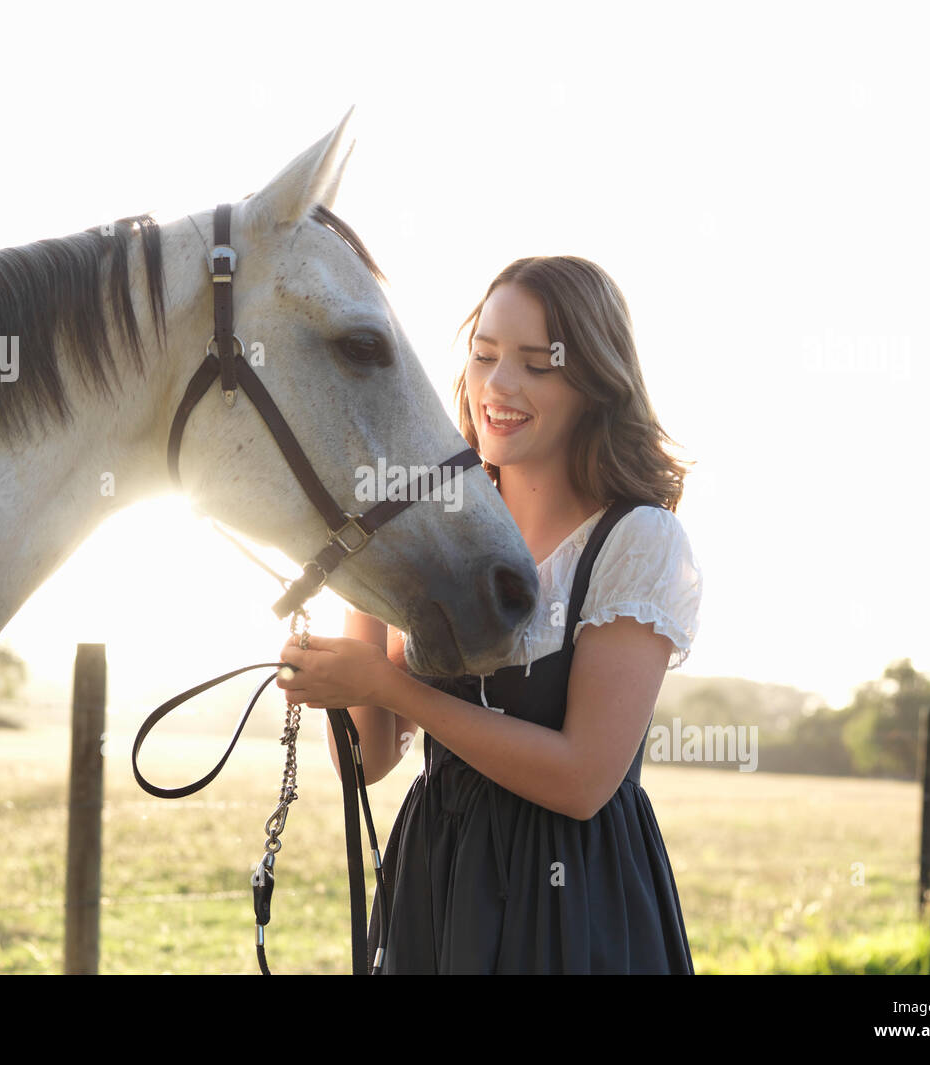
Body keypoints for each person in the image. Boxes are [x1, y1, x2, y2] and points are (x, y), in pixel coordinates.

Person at [276, 255, 702, 974]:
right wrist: (364, 575)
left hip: (571, 898)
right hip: (434, 884)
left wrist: (386, 686)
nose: (498, 386)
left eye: (538, 364)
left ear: (595, 383)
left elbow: (582, 779)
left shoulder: (636, 540)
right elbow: (371, 760)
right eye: (484, 356)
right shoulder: (445, 530)